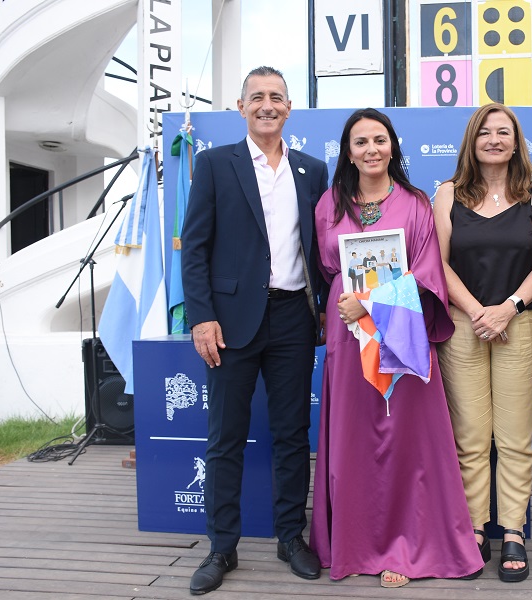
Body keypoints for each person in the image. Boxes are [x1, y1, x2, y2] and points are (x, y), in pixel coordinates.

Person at [309, 108, 484, 587]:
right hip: (348, 339)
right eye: (361, 142)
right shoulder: (329, 204)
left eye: (379, 141)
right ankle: (354, 542)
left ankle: (405, 547)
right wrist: (353, 307)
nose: (371, 150)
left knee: (406, 444)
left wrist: (367, 303)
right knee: (354, 440)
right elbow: (328, 269)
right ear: (348, 151)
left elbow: (428, 276)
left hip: (400, 340)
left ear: (393, 147)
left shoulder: (415, 204)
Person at [181, 66, 328, 594]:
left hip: (293, 317)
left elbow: (324, 248)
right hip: (229, 321)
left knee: (292, 435)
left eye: (277, 97)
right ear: (240, 107)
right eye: (257, 97)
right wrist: (201, 316)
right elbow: (194, 247)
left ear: (289, 108)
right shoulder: (215, 164)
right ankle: (222, 548)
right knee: (224, 439)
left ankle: (291, 537)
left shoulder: (313, 170)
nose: (267, 105)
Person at [433, 102, 532, 583]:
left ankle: (515, 531)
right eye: (486, 132)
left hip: (518, 324)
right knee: (471, 440)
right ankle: (476, 529)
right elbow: (437, 264)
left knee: (515, 440)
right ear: (472, 141)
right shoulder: (447, 193)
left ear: (516, 141)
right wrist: (478, 312)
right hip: (463, 324)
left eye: (504, 132)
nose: (495, 139)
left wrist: (508, 309)